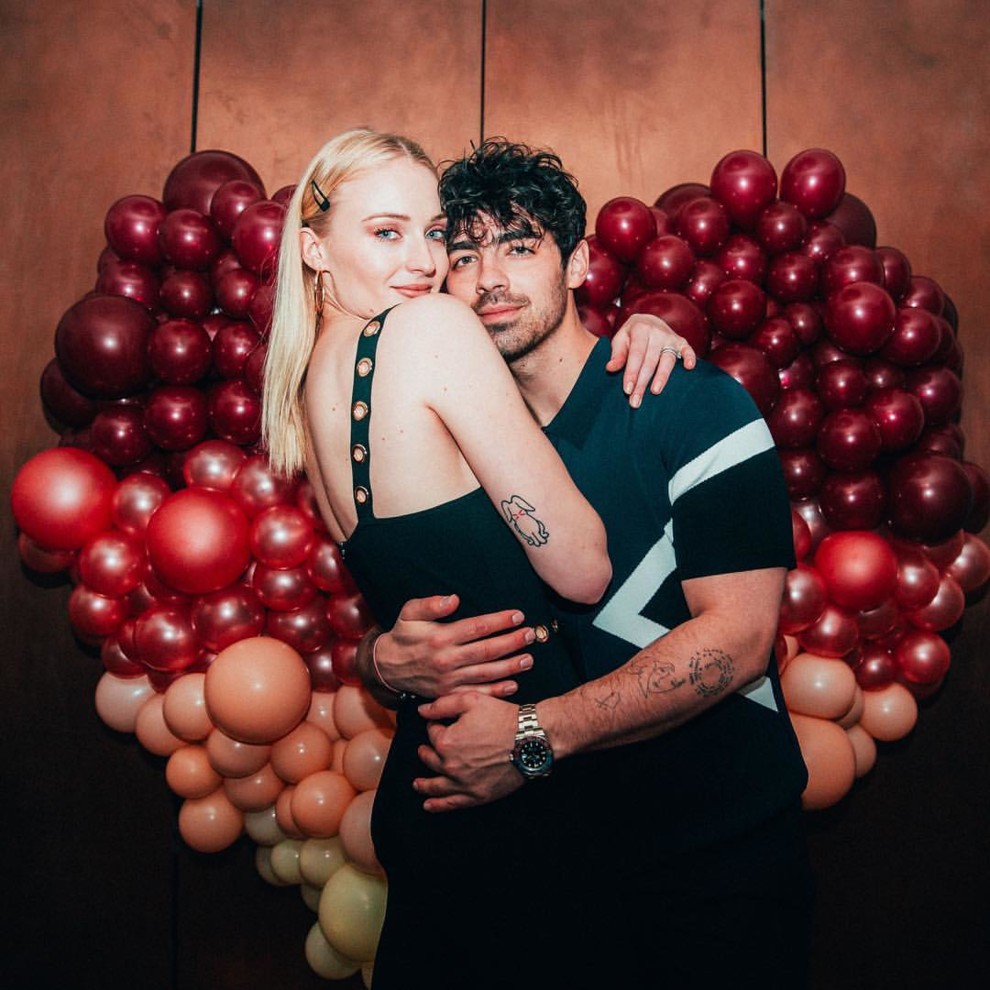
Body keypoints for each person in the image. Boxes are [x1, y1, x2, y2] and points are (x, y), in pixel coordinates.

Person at [358, 139, 815, 988]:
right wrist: (382, 661)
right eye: (465, 255)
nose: (489, 278)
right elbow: (410, 613)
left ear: (576, 264)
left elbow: (741, 641)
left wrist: (533, 737)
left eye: (519, 247)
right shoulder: (455, 442)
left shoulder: (690, 403)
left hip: (718, 862)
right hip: (553, 877)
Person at [261, 129, 694, 989]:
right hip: (520, 801)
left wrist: (378, 658)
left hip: (433, 793)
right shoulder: (431, 328)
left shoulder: (309, 390)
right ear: (314, 248)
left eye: (434, 233)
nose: (423, 261)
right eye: (386, 232)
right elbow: (581, 569)